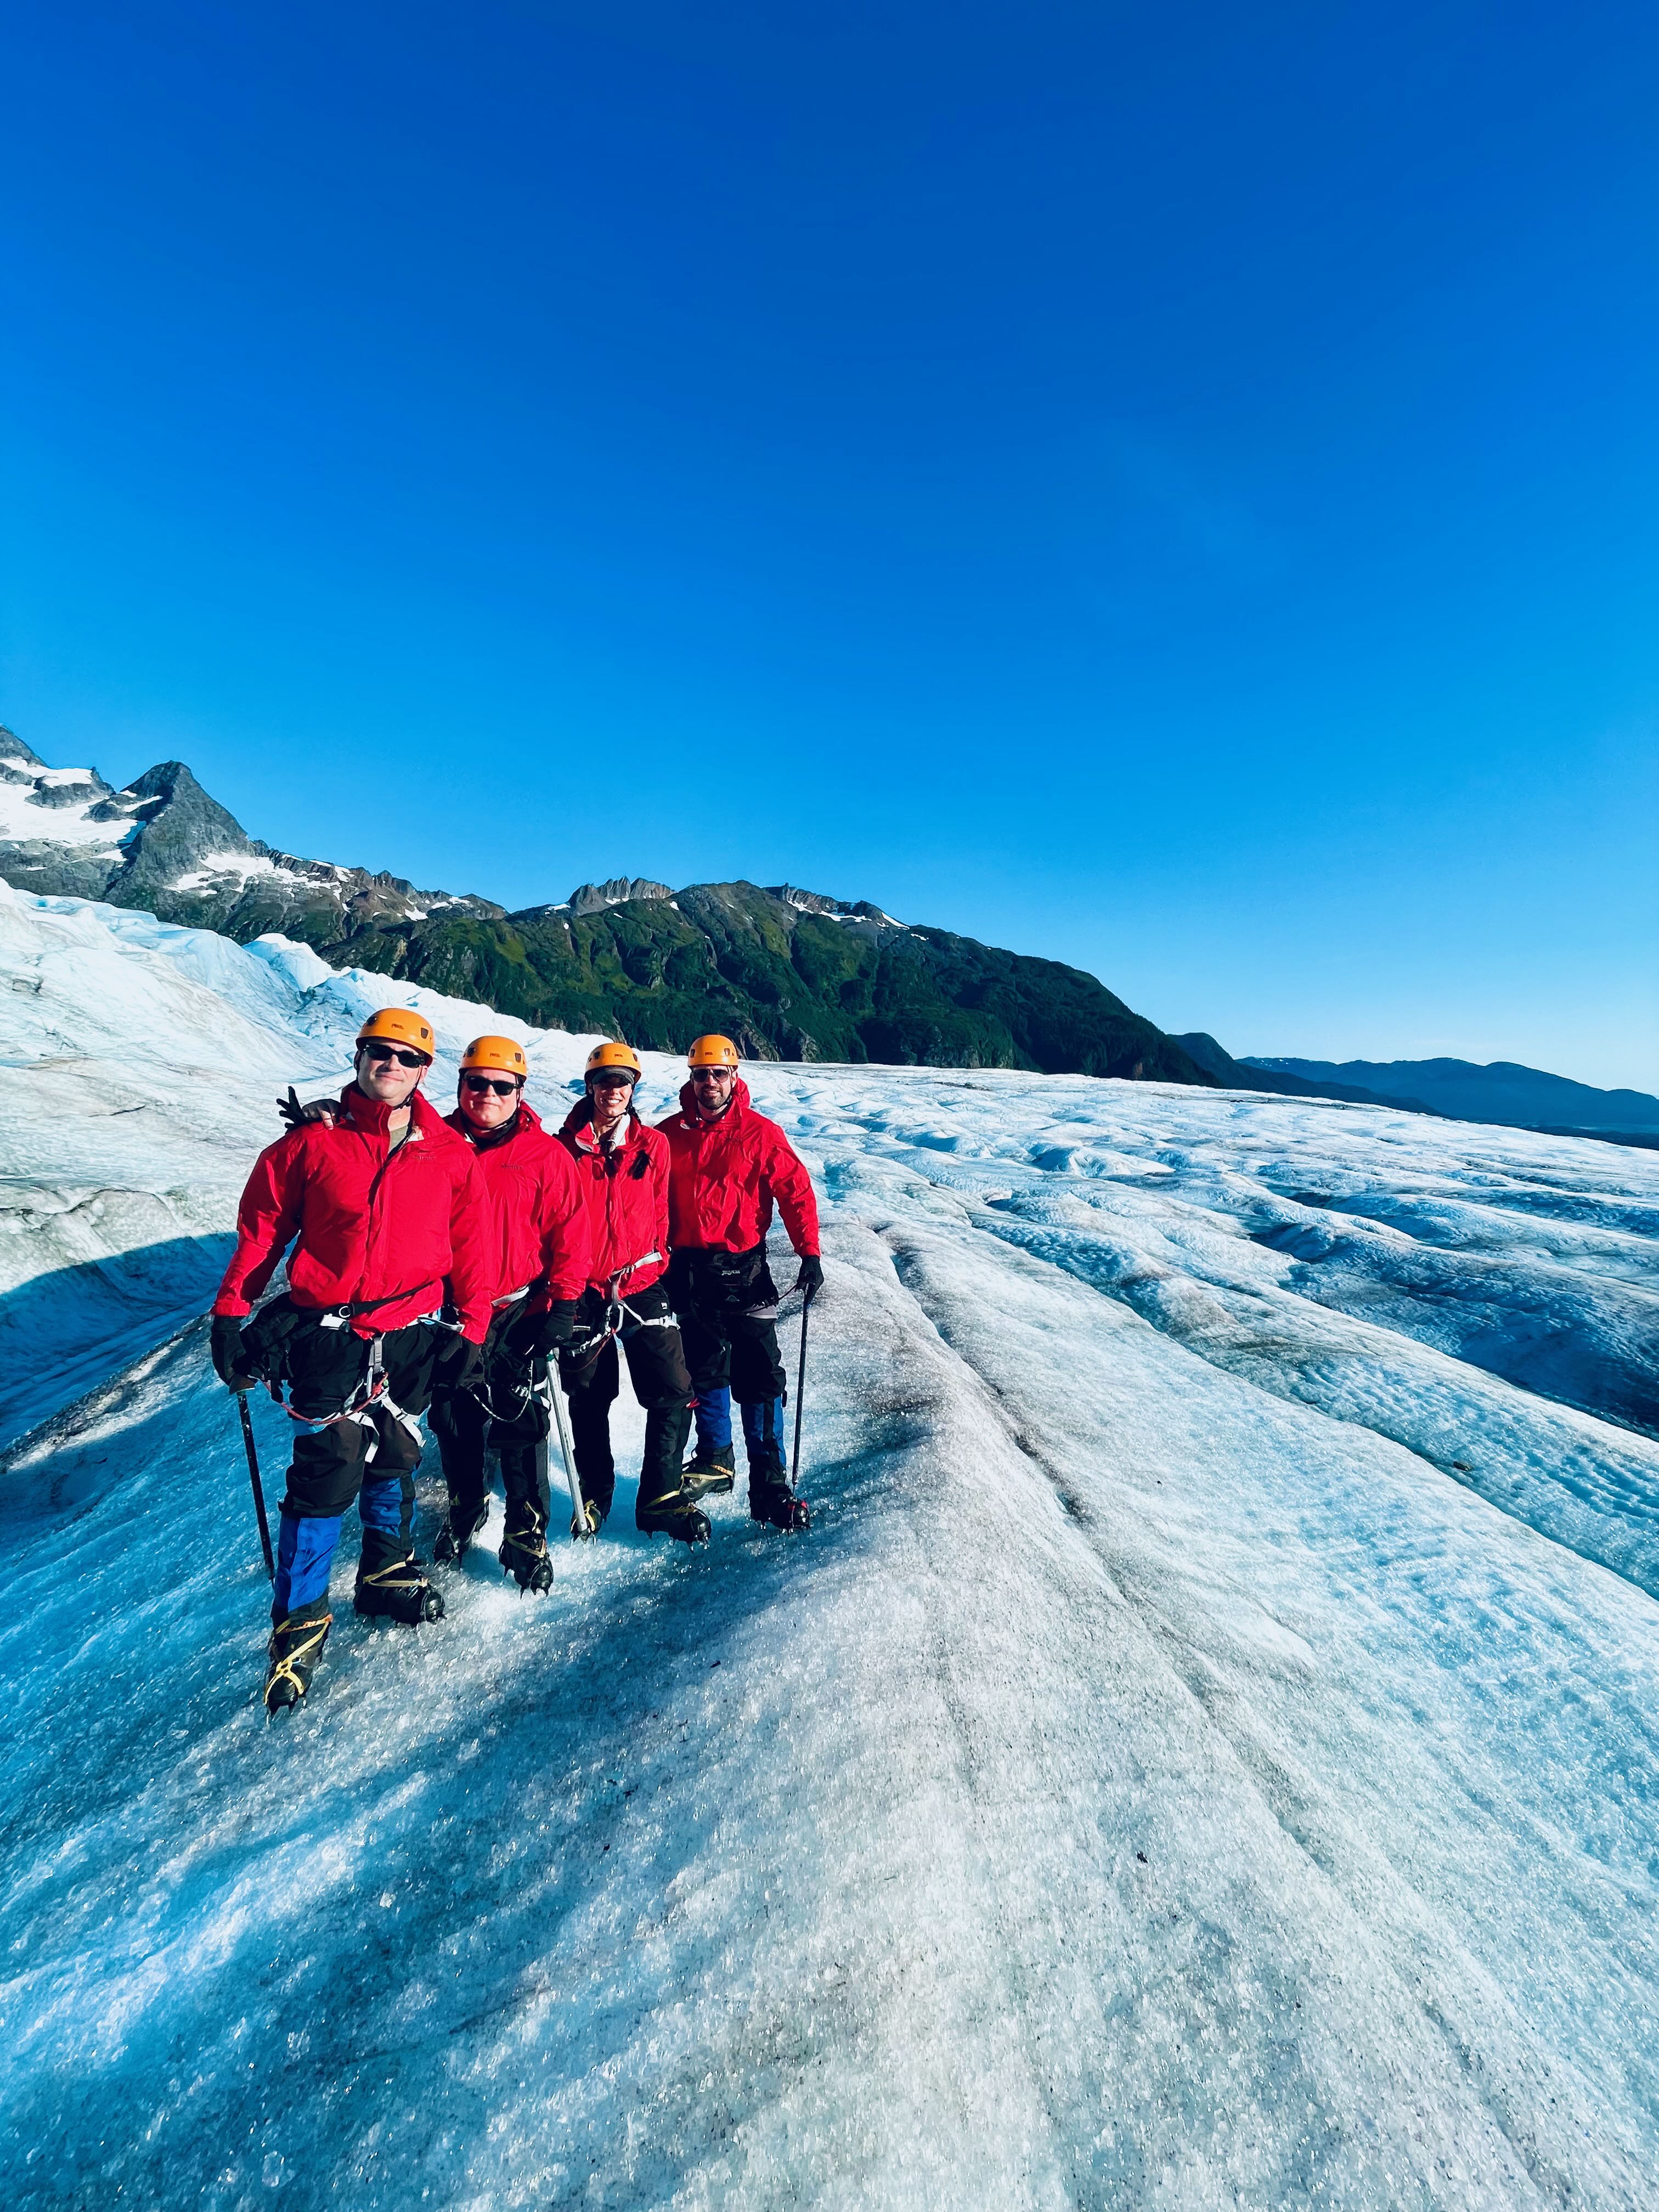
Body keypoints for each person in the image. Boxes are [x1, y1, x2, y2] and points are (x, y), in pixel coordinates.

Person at [211, 1007, 490, 1715]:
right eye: (378, 1051)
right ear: (360, 1057)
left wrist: (473, 1324)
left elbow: (473, 1244)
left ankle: (385, 1567)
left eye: (405, 1056)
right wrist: (231, 1314)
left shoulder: (448, 1152)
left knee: (396, 1453)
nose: (390, 1064)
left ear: (426, 1070)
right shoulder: (310, 1146)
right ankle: (300, 1618)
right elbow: (261, 1232)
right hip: (330, 1332)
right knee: (326, 1473)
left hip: (414, 1327)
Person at [426, 1034, 591, 1590]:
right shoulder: (432, 1144)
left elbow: (571, 1235)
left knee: (519, 1417)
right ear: (461, 1085)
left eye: (503, 1086)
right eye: (478, 1083)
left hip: (518, 1307)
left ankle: (526, 1526)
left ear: (521, 1092)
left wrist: (565, 1304)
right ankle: (467, 1505)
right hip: (449, 1309)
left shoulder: (546, 1157)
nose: (488, 1095)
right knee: (453, 1418)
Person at [658, 1035, 822, 1531]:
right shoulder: (668, 1136)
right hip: (687, 1269)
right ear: (691, 1079)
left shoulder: (760, 1133)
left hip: (746, 1269)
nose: (709, 1082)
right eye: (700, 1074)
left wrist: (809, 1252)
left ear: (734, 1077)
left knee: (760, 1375)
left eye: (717, 1073)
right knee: (702, 1369)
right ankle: (716, 1458)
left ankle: (769, 1483)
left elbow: (794, 1192)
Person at [556, 1041, 707, 1545]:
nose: (613, 1090)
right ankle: (594, 1492)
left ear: (633, 1088)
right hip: (584, 1289)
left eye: (623, 1081)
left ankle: (660, 1495)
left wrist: (657, 1256)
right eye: (604, 1081)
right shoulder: (563, 1148)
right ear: (589, 1086)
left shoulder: (652, 1146)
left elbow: (661, 1209)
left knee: (674, 1390)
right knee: (590, 1397)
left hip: (640, 1282)